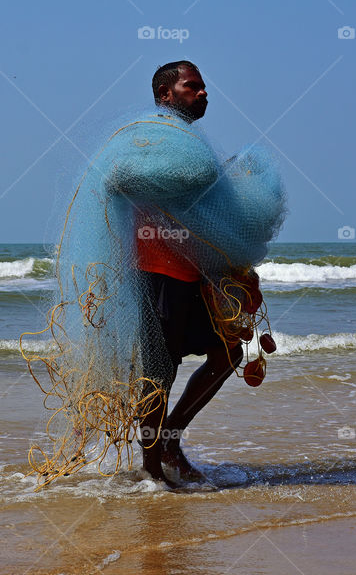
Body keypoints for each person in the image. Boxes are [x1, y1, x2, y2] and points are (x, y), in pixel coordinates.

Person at [135, 61, 246, 486]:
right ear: (166, 93)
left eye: (203, 88)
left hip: (194, 273)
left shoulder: (192, 142)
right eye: (192, 87)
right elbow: (125, 181)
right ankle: (149, 472)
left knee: (229, 352)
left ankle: (170, 441)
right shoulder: (148, 135)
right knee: (158, 373)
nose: (203, 93)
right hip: (155, 273)